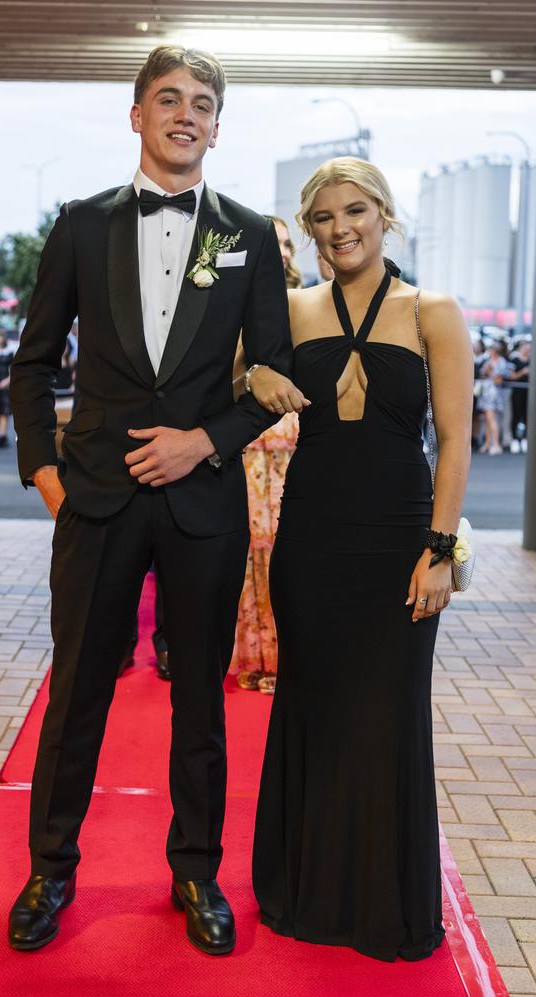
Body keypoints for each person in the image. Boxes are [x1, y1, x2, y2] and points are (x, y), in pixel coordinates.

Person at [8, 44, 304, 957]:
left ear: (218, 125)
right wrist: (48, 476)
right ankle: (50, 871)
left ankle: (196, 870)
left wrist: (203, 442)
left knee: (200, 709)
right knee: (77, 698)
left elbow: (274, 376)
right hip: (93, 503)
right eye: (167, 98)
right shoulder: (82, 224)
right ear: (136, 115)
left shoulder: (249, 234)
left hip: (202, 507)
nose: (185, 114)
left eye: (202, 103)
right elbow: (31, 366)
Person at [252, 156, 473, 962]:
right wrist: (258, 369)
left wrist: (439, 551)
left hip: (398, 543)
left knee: (387, 716)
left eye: (356, 211)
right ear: (309, 229)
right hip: (310, 539)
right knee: (313, 707)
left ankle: (384, 907)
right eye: (323, 216)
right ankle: (305, 894)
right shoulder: (288, 309)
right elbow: (238, 372)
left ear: (384, 215)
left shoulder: (433, 311)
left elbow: (454, 442)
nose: (342, 227)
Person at [231, 216, 300, 695]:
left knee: (289, 549)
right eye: (273, 243)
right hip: (250, 440)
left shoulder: (311, 301)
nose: (282, 251)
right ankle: (255, 657)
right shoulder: (236, 302)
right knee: (253, 553)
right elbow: (231, 373)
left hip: (296, 438)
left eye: (287, 243)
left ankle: (291, 658)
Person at [476, 340, 512, 455]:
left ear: (495, 351)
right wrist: (486, 371)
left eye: (491, 349)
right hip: (486, 392)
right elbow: (482, 374)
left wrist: (490, 372)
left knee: (492, 419)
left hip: (495, 393)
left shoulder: (501, 362)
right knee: (486, 419)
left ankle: (496, 444)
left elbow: (499, 379)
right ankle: (487, 443)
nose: (489, 352)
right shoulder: (488, 361)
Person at [507, 337, 530, 453]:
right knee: (516, 415)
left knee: (528, 416)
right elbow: (510, 376)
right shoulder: (514, 360)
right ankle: (515, 440)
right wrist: (522, 372)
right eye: (525, 346)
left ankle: (525, 439)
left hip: (529, 393)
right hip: (517, 392)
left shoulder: (532, 360)